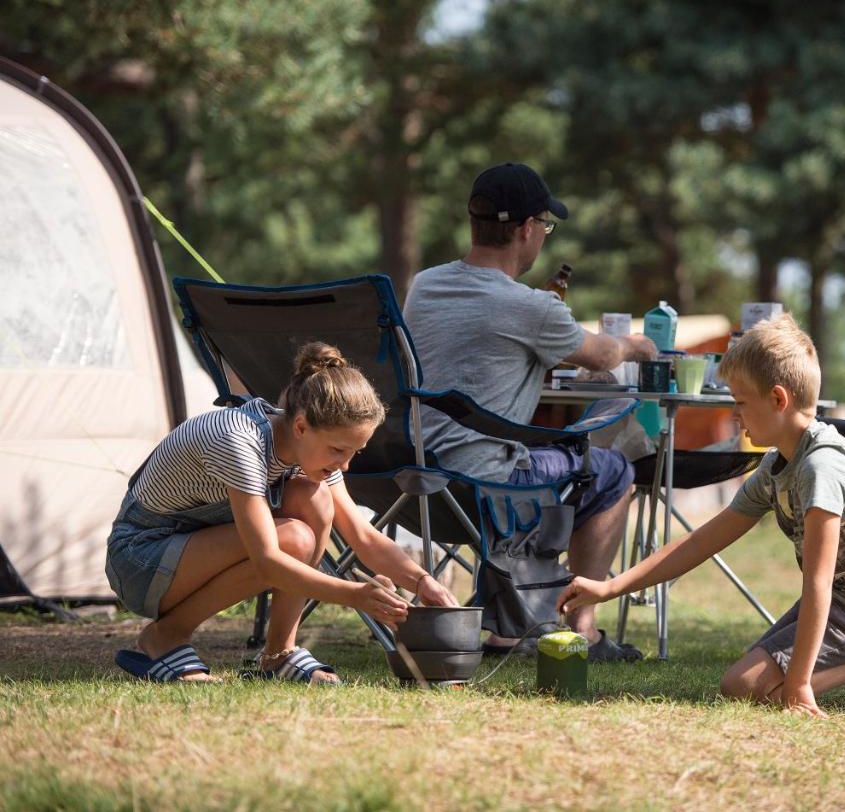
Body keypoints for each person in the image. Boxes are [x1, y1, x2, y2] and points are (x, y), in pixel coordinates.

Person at [557, 314, 845, 715]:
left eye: (740, 402)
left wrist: (801, 685)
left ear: (777, 399)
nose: (735, 415)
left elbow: (819, 583)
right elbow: (702, 541)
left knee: (744, 687)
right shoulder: (777, 466)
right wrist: (608, 589)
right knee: (745, 683)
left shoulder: (821, 467)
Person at [403, 162, 657, 661]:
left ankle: (512, 622)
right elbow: (603, 355)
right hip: (487, 486)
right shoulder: (531, 307)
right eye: (545, 225)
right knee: (614, 470)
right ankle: (581, 630)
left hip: (414, 484)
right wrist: (638, 345)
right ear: (525, 229)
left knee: (562, 459)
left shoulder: (425, 285)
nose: (544, 235)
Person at [106, 342, 458, 684]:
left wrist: (422, 581)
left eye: (354, 452)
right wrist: (354, 595)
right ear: (301, 426)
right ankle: (165, 637)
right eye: (338, 450)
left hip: (191, 551)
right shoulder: (238, 440)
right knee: (293, 538)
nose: (345, 465)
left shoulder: (312, 450)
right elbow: (267, 560)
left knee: (314, 499)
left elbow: (363, 537)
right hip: (140, 560)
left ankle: (279, 654)